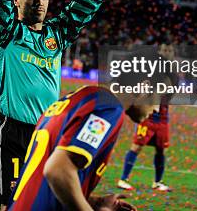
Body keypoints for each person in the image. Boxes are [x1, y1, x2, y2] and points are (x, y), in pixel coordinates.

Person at [0, 0, 106, 209]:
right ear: (17, 0)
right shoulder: (5, 31)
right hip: (13, 132)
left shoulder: (58, 33)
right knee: (12, 205)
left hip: (48, 132)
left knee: (45, 203)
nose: (38, 2)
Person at [8, 85, 154, 210]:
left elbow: (42, 178)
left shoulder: (80, 97)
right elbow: (57, 170)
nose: (157, 108)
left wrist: (93, 202)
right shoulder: (108, 108)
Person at [117, 43, 176, 191]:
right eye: (164, 50)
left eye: (169, 50)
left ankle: (158, 182)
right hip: (148, 116)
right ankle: (123, 179)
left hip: (163, 117)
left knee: (161, 149)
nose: (166, 53)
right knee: (137, 146)